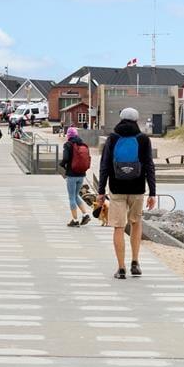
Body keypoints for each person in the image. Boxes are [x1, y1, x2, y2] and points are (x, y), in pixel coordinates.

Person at [98, 107, 156, 279]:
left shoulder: (113, 138)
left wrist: (101, 191)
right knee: (136, 223)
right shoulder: (143, 139)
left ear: (121, 119)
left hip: (117, 189)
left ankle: (121, 268)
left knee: (119, 227)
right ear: (136, 120)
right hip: (137, 189)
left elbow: (104, 166)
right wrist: (152, 192)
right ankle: (135, 262)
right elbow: (149, 166)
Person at [60, 126, 92, 227]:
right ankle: (85, 214)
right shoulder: (82, 144)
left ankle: (75, 220)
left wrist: (62, 164)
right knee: (76, 195)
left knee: (71, 197)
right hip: (81, 174)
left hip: (72, 175)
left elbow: (65, 158)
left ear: (68, 135)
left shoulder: (68, 144)